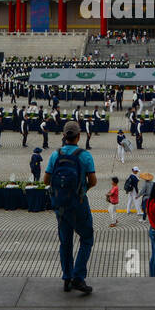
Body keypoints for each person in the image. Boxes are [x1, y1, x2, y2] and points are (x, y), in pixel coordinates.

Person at [45, 121, 97, 294]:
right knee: (87, 238)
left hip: (60, 206)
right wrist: (81, 191)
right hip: (79, 205)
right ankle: (78, 277)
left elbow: (46, 180)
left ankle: (66, 278)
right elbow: (93, 181)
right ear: (79, 136)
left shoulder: (55, 154)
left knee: (65, 242)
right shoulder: (85, 156)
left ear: (64, 135)